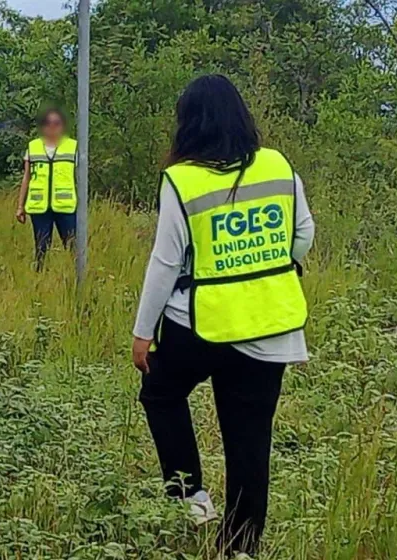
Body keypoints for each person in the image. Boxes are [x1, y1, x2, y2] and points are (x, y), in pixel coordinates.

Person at [132, 75, 315, 559]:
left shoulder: (183, 179)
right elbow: (303, 233)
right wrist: (267, 267)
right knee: (249, 441)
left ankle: (191, 497)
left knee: (160, 393)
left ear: (188, 124)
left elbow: (165, 262)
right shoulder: (277, 165)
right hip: (269, 325)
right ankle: (240, 548)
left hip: (199, 325)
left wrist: (143, 332)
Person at [16, 108, 78, 271]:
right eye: (48, 123)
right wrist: (20, 206)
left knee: (73, 246)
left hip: (65, 207)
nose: (52, 127)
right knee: (41, 247)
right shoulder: (33, 147)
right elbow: (26, 177)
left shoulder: (73, 147)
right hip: (40, 208)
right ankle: (39, 277)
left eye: (56, 123)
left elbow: (80, 177)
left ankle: (76, 277)